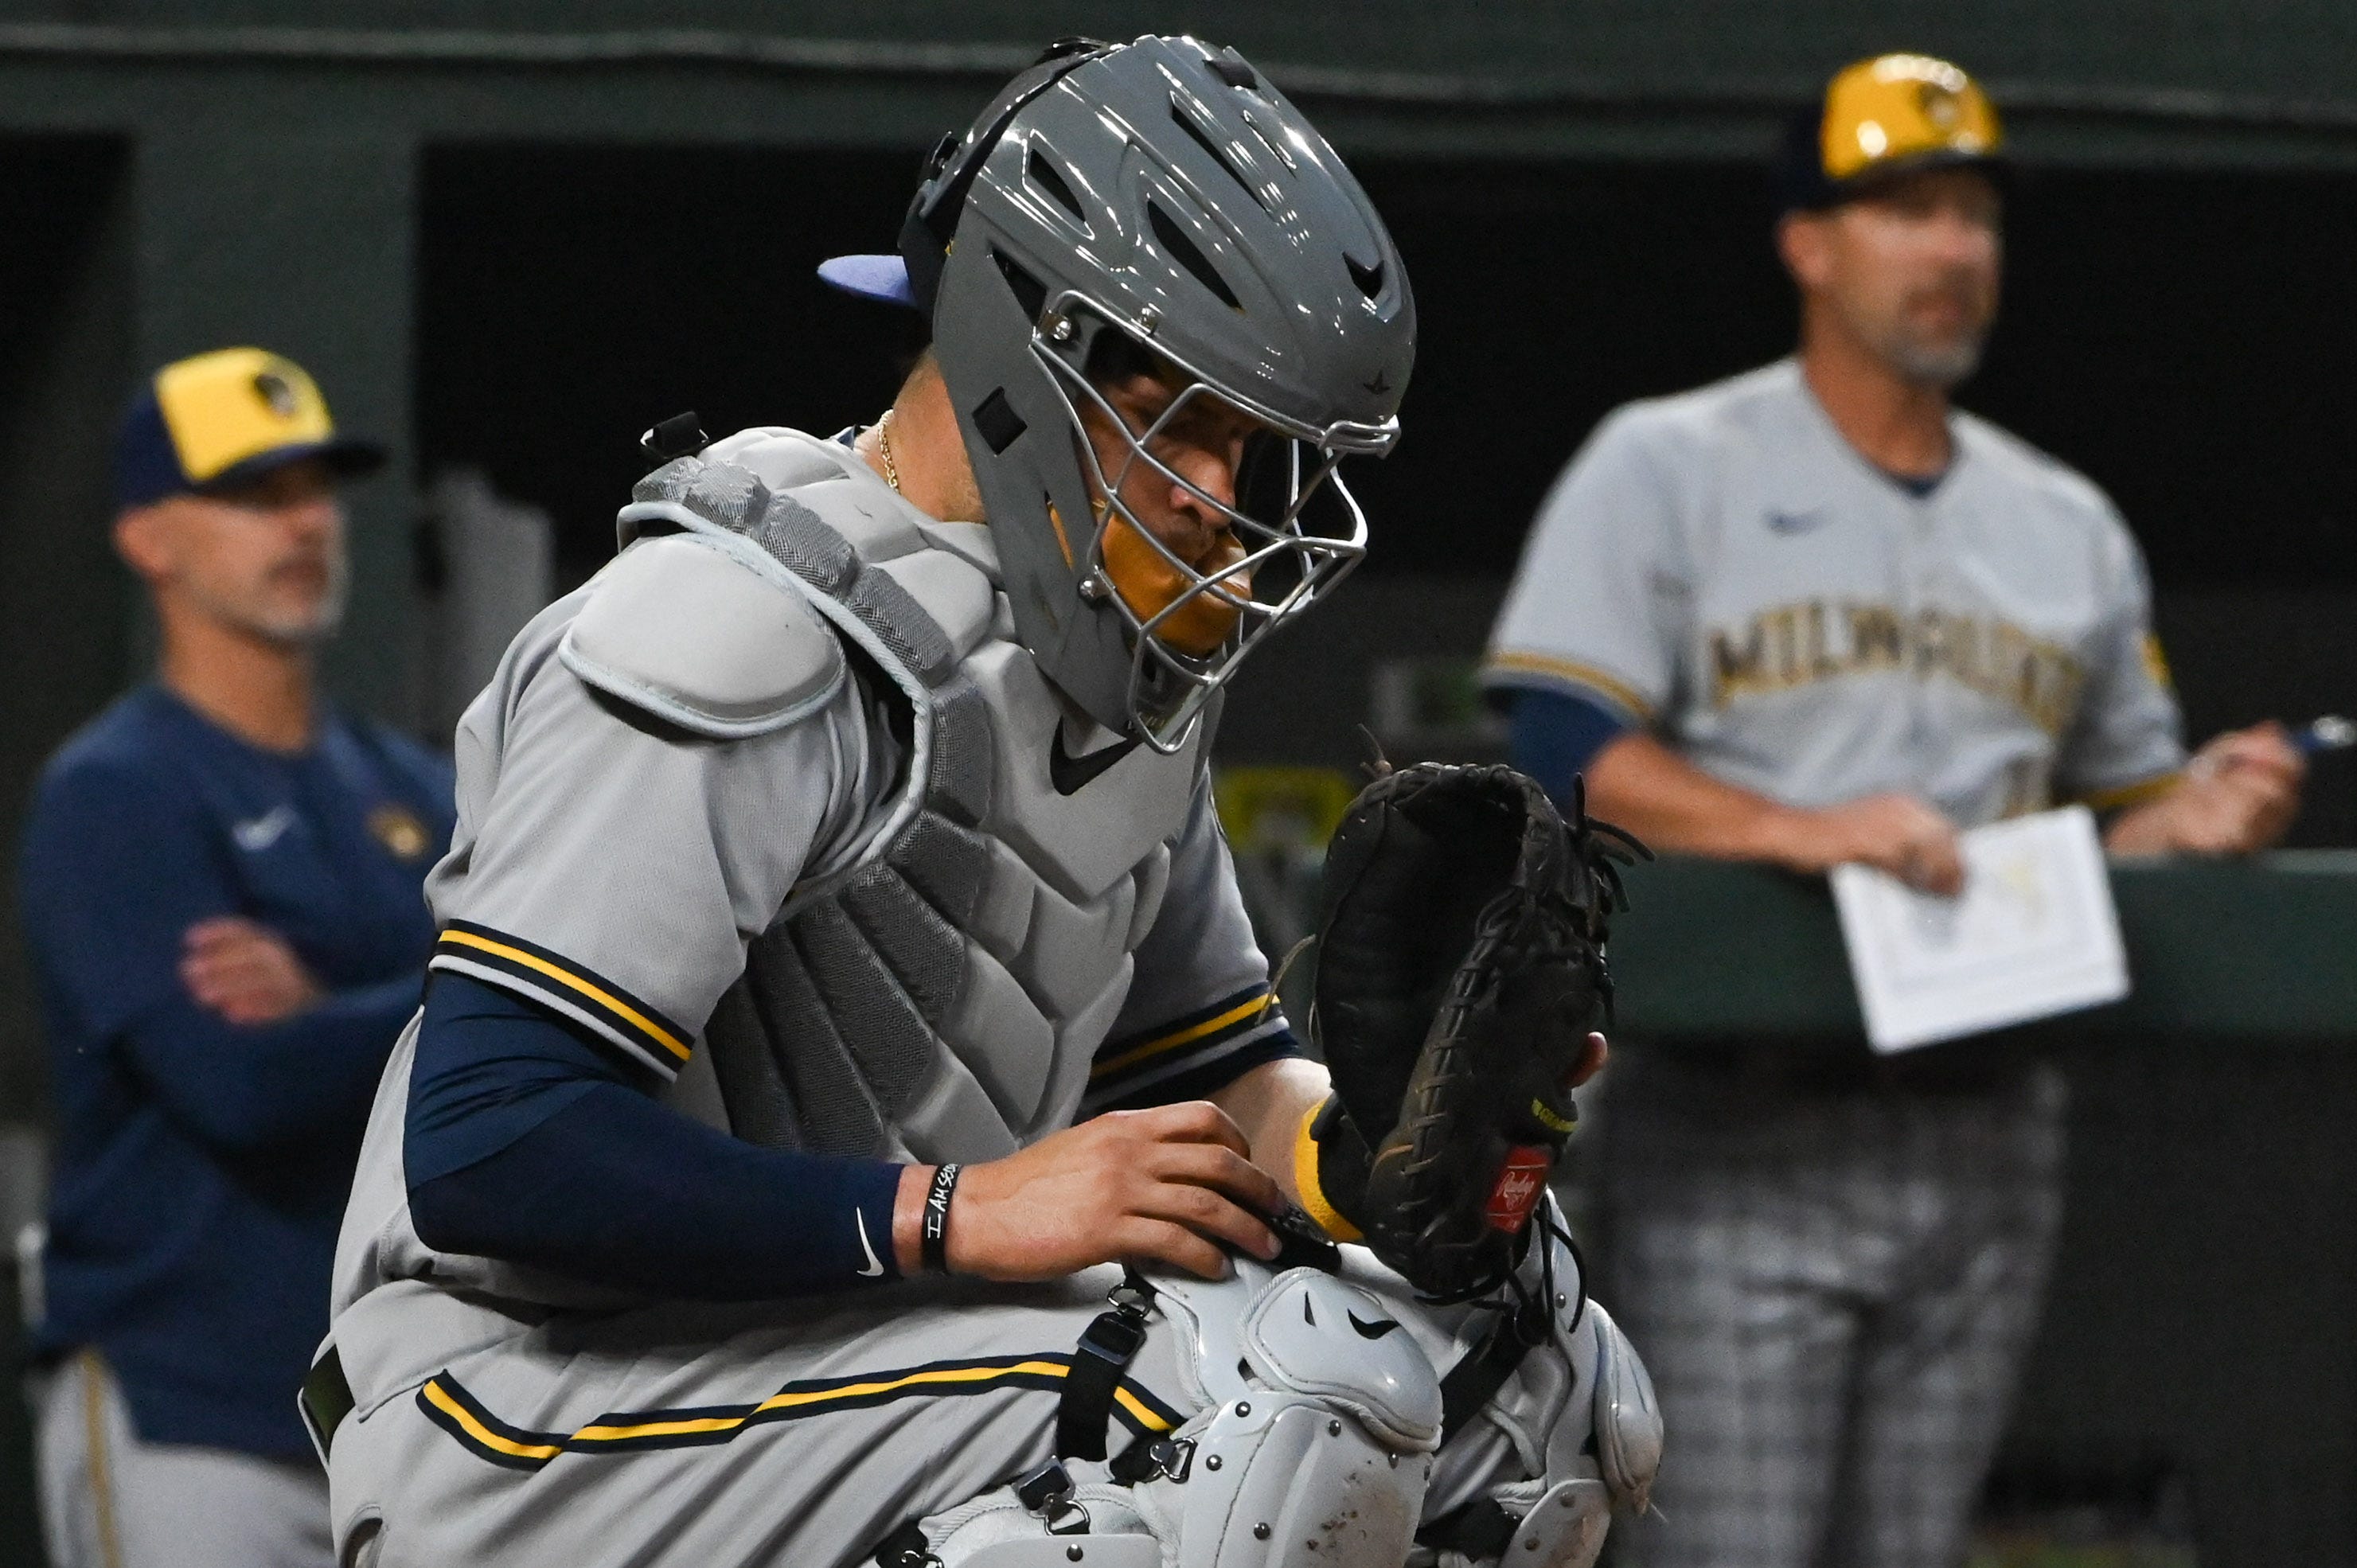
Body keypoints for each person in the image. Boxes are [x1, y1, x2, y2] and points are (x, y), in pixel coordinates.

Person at [312, 35, 1657, 1568]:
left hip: (822, 1369)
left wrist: (1389, 1156)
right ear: (1026, 355)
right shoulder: (736, 620)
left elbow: (1200, 1075)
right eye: (1192, 424)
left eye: (1264, 449)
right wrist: (951, 1211)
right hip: (529, 1415)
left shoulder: (1107, 659)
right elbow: (492, 1145)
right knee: (1254, 1403)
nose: (1234, 497)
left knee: (1534, 1383)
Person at [1481, 53, 2304, 1568]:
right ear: (1806, 241)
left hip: (1990, 1121)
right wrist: (1802, 825)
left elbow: (2117, 820)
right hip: (1742, 1112)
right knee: (1731, 1547)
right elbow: (1560, 751)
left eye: (1973, 213)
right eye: (1905, 210)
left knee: (1911, 1552)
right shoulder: (1670, 462)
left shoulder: (2064, 522)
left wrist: (2199, 823)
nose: (1951, 249)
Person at [19, 348, 456, 1568]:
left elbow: (525, 1036)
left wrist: (345, 1005)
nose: (306, 521)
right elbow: (242, 1082)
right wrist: (442, 985)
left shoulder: (418, 786)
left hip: (398, 1411)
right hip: (189, 1403)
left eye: (316, 489)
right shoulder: (118, 790)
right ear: (151, 538)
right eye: (255, 493)